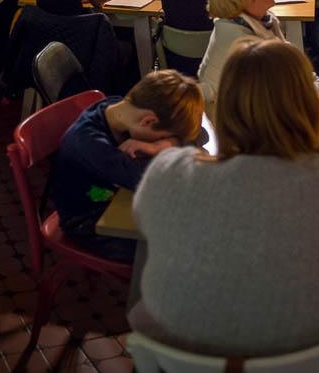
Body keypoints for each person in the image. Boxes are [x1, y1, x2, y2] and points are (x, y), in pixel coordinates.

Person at [128, 38, 319, 369]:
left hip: (181, 360)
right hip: (303, 361)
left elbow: (149, 223)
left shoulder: (167, 173)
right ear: (311, 105)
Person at [49, 69, 204, 262]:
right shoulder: (92, 145)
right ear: (148, 121)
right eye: (165, 135)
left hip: (115, 195)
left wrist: (158, 145)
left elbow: (193, 136)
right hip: (86, 221)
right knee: (178, 251)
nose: (168, 140)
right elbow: (155, 182)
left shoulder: (120, 108)